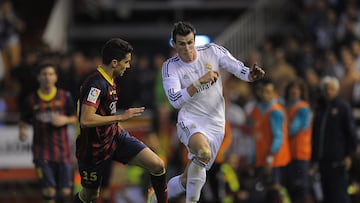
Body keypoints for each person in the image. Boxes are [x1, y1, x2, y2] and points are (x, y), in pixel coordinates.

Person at [153, 21, 265, 203]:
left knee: (187, 178)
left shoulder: (212, 51)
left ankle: (155, 197)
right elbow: (174, 100)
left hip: (216, 123)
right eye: (181, 43)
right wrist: (199, 82)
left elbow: (239, 68)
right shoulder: (170, 66)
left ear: (195, 41)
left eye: (190, 42)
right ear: (174, 44)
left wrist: (251, 75)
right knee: (203, 152)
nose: (187, 48)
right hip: (190, 120)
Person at [74, 38, 168, 203]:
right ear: (115, 62)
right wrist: (120, 117)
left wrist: (117, 122)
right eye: (126, 62)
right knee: (90, 195)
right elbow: (86, 120)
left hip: (115, 137)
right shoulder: (95, 84)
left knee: (157, 165)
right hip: (93, 149)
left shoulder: (110, 80)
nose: (128, 66)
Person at [19, 63, 78, 203]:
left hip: (63, 151)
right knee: (49, 190)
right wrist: (22, 130)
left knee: (65, 192)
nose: (47, 77)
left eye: (51, 74)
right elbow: (23, 120)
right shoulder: (31, 100)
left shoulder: (65, 96)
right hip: (42, 151)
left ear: (56, 77)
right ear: (39, 77)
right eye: (44, 74)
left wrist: (65, 119)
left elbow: (75, 118)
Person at [311, 76, 357, 203]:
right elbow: (315, 133)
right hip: (322, 160)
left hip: (338, 160)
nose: (328, 92)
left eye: (331, 89)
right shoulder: (320, 108)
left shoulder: (343, 107)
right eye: (326, 89)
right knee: (326, 195)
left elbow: (351, 133)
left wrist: (349, 154)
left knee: (339, 195)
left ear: (336, 90)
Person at [250, 79, 291, 203]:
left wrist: (270, 159)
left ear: (274, 94)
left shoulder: (275, 112)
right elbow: (256, 136)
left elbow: (278, 137)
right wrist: (252, 158)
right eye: (262, 91)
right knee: (266, 192)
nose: (264, 95)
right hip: (262, 158)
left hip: (274, 160)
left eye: (268, 92)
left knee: (274, 191)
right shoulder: (257, 110)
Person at [283, 79, 312, 203]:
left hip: (300, 152)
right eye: (292, 88)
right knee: (291, 189)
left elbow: (293, 129)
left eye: (297, 89)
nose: (294, 91)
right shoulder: (287, 108)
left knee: (301, 189)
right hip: (289, 153)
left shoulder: (303, 108)